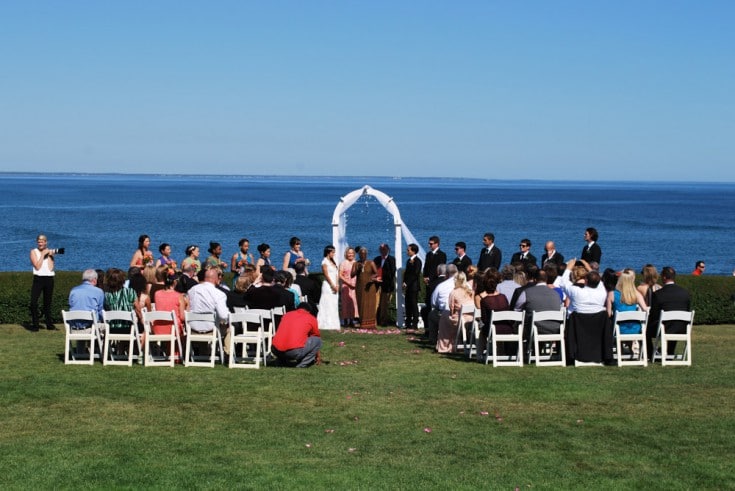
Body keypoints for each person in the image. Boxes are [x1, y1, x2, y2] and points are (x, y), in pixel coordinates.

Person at [647, 266, 691, 360]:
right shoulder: (685, 293)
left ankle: (650, 354)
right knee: (675, 324)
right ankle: (669, 351)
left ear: (664, 277)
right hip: (682, 328)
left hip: (665, 328)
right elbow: (687, 310)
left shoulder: (658, 294)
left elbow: (653, 315)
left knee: (645, 330)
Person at [606, 268, 648, 356]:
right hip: (635, 329)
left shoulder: (612, 294)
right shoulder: (636, 294)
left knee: (613, 324)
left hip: (619, 329)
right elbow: (645, 310)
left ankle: (619, 350)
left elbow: (608, 314)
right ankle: (629, 349)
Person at [272, 303, 322, 368]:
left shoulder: (287, 315)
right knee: (318, 340)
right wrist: (317, 354)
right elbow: (316, 335)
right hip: (293, 352)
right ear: (309, 311)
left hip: (275, 349)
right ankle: (302, 364)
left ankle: (281, 361)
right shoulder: (311, 318)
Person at [436, 271, 474, 354]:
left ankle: (445, 346)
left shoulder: (454, 292)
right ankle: (456, 343)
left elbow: (451, 308)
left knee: (444, 317)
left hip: (460, 320)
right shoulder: (470, 292)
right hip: (472, 319)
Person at [187, 267, 229, 338]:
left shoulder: (192, 290)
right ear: (216, 279)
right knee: (230, 328)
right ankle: (227, 349)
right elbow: (223, 316)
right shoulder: (219, 294)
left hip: (192, 327)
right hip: (211, 328)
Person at [478, 270, 512, 359]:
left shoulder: (484, 300)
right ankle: (500, 353)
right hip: (507, 328)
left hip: (493, 329)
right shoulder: (503, 297)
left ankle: (479, 355)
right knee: (496, 326)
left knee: (482, 332)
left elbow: (484, 319)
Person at [29, 234, 57, 331]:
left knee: (47, 303)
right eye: (39, 241)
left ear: (45, 242)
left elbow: (51, 267)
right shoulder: (33, 251)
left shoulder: (49, 252)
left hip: (49, 278)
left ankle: (49, 324)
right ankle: (35, 324)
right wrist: (42, 255)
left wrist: (50, 256)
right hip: (38, 279)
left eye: (42, 241)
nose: (40, 243)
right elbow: (37, 266)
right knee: (33, 302)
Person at [153, 271, 188, 341]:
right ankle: (176, 351)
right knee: (185, 336)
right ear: (175, 282)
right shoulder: (179, 296)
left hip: (158, 328)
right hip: (173, 329)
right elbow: (182, 317)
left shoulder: (157, 294)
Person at [352, 247, 379, 329]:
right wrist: (358, 269)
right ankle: (362, 323)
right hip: (360, 287)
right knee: (361, 304)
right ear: (359, 255)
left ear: (366, 254)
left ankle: (371, 324)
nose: (362, 255)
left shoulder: (371, 263)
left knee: (370, 304)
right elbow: (352, 275)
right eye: (361, 254)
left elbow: (376, 273)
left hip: (370, 287)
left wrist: (371, 277)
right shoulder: (356, 264)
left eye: (364, 254)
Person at [317, 245, 340, 329]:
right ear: (328, 252)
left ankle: (334, 323)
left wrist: (337, 284)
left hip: (335, 284)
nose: (334, 254)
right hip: (328, 285)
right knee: (327, 303)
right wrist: (332, 285)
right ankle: (325, 323)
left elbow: (336, 274)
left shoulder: (333, 262)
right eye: (332, 252)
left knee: (333, 303)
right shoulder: (324, 262)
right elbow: (326, 275)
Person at [374, 243, 396, 326]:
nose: (382, 251)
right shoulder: (377, 259)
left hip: (386, 285)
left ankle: (383, 321)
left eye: (384, 249)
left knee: (384, 304)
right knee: (376, 303)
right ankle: (374, 320)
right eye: (381, 249)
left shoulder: (391, 259)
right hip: (377, 284)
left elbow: (392, 272)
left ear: (388, 250)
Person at [403, 243, 422, 329]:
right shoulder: (408, 261)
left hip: (414, 286)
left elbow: (415, 274)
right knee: (408, 305)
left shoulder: (418, 261)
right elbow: (407, 273)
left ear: (413, 251)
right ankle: (408, 323)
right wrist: (404, 282)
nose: (407, 251)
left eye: (408, 250)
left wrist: (407, 282)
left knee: (414, 305)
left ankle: (415, 323)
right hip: (408, 286)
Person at [339, 248, 358, 327]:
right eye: (349, 253)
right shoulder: (343, 263)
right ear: (346, 254)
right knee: (346, 303)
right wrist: (348, 283)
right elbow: (340, 275)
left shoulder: (356, 263)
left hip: (355, 286)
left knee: (354, 302)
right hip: (346, 285)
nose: (350, 255)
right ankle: (346, 320)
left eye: (352, 253)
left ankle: (353, 319)